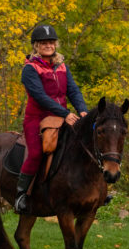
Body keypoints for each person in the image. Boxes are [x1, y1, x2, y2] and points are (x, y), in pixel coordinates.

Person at [14, 24, 88, 214]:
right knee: (36, 153)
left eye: (51, 42)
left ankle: (93, 190)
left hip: (62, 116)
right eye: (43, 43)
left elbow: (73, 90)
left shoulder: (62, 66)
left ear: (55, 45)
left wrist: (82, 111)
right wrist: (65, 114)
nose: (48, 45)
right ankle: (21, 195)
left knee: (85, 144)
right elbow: (40, 97)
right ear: (36, 46)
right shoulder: (30, 69)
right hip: (37, 118)